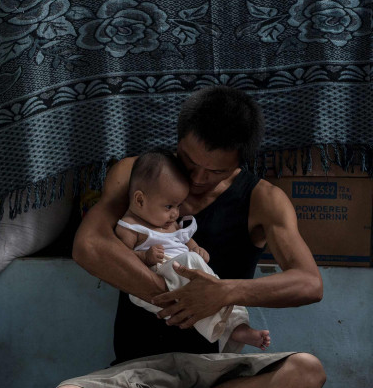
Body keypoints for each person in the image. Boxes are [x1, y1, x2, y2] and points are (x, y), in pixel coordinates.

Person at [45, 86, 326, 388]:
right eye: (188, 161)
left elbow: (309, 283)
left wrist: (221, 294)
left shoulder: (264, 199)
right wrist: (174, 298)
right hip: (141, 373)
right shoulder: (136, 174)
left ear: (241, 162)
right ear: (178, 139)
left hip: (218, 379)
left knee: (306, 374)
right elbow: (89, 245)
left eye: (214, 171)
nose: (196, 178)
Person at [115, 149, 271, 352]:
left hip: (184, 277)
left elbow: (185, 239)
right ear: (139, 200)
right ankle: (229, 331)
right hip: (153, 281)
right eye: (169, 206)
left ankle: (237, 325)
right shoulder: (130, 227)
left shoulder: (169, 222)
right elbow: (121, 258)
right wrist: (145, 256)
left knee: (213, 284)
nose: (175, 213)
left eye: (178, 205)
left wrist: (196, 248)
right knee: (192, 266)